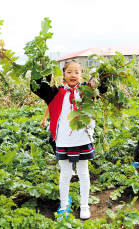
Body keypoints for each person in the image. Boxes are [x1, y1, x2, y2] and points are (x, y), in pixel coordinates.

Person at [31, 59, 107, 220]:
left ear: (82, 74)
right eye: (69, 72)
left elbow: (103, 87)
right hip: (63, 140)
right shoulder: (55, 92)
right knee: (65, 173)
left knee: (83, 173)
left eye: (77, 72)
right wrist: (40, 70)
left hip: (83, 139)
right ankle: (64, 205)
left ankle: (85, 205)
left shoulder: (88, 90)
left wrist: (105, 73)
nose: (73, 75)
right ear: (63, 75)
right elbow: (36, 86)